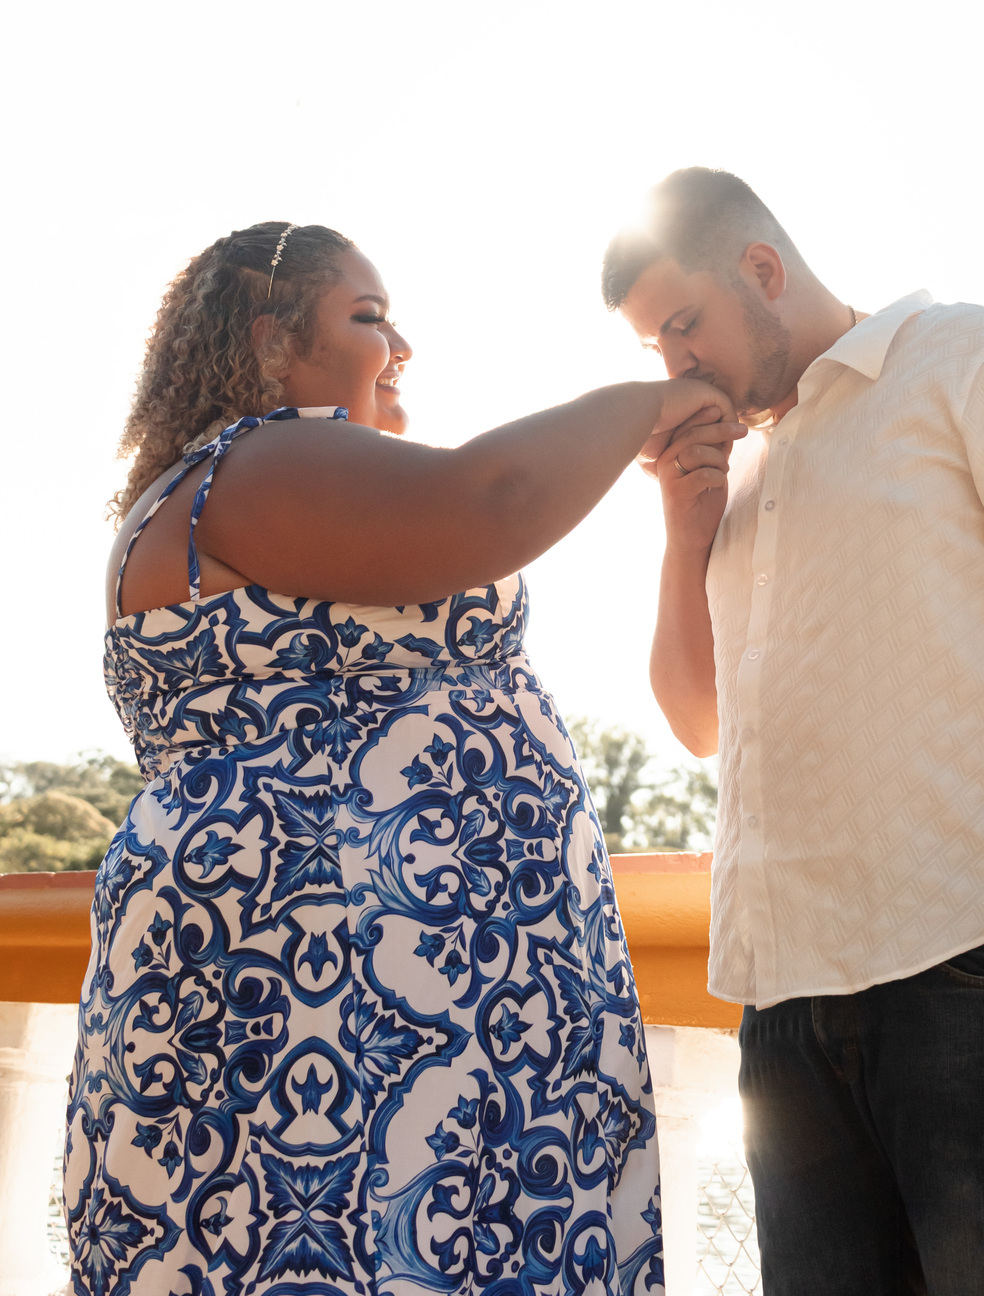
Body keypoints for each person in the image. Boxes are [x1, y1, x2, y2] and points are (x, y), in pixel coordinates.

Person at [65, 219, 741, 1296]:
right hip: (325, 1002)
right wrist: (646, 403)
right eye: (368, 317)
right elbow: (492, 498)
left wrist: (678, 511)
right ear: (269, 343)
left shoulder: (244, 484)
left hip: (396, 994)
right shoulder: (256, 458)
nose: (401, 346)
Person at [603, 168, 984, 1296]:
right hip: (784, 1006)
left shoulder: (971, 357)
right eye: (655, 347)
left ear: (762, 271)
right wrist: (685, 534)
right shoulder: (736, 470)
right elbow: (697, 720)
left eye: (686, 324)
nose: (678, 365)